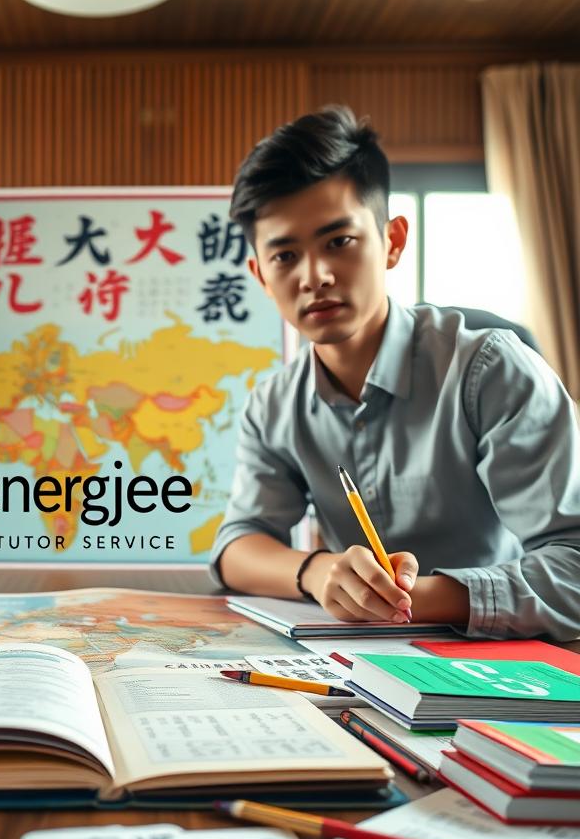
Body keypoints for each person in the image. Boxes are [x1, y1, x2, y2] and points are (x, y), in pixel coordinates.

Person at [210, 105, 580, 640]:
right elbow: (237, 547)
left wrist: (415, 598)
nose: (315, 276)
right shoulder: (274, 403)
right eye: (286, 255)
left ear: (393, 241)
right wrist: (318, 572)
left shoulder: (492, 368)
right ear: (262, 277)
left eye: (339, 242)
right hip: (351, 666)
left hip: (497, 664)